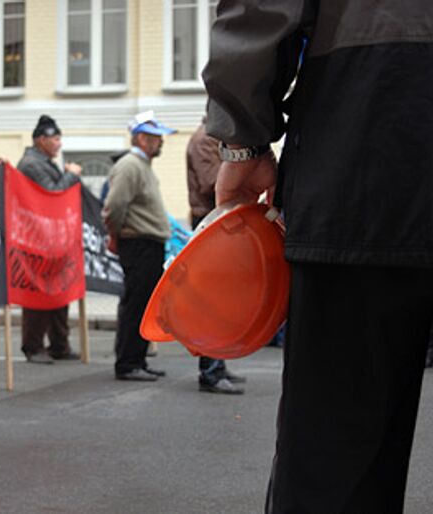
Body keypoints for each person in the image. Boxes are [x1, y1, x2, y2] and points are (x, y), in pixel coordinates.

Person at [203, 1, 433, 511]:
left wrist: (242, 144)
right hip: (370, 137)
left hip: (367, 140)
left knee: (338, 458)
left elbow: (259, 10)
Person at [103, 111, 174, 381]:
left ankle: (137, 359)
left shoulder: (139, 165)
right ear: (141, 138)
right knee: (136, 305)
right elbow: (115, 205)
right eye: (155, 138)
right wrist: (115, 234)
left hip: (146, 243)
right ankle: (129, 363)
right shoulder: (131, 166)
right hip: (138, 243)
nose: (160, 143)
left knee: (143, 305)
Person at [16, 115, 82, 364]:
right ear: (41, 139)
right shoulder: (31, 164)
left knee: (59, 294)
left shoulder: (43, 162)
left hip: (53, 240)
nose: (59, 144)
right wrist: (71, 176)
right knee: (39, 297)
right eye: (55, 138)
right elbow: (52, 194)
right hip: (37, 241)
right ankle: (33, 347)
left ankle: (59, 344)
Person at [186, 121, 246, 395]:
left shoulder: (213, 138)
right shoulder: (204, 141)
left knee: (221, 301)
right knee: (212, 302)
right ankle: (211, 371)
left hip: (217, 221)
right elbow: (213, 182)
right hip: (209, 221)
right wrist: (242, 165)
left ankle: (217, 365)